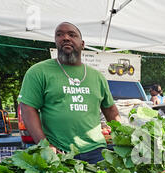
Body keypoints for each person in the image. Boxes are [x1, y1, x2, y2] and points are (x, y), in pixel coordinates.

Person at [18, 22, 121, 164]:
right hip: (59, 153)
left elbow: (110, 109)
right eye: (59, 34)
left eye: (72, 35)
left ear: (82, 44)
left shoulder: (97, 76)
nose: (65, 38)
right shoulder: (38, 72)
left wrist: (124, 138)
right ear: (55, 42)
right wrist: (45, 145)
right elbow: (28, 108)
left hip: (97, 151)